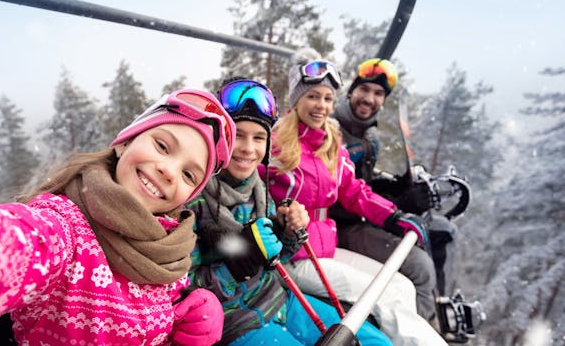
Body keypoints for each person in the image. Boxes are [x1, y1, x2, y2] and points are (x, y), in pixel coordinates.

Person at [0, 88, 234, 346]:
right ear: (126, 141)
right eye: (163, 145)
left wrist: (194, 315)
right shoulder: (64, 229)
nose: (169, 171)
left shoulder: (172, 248)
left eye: (188, 174)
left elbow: (163, 313)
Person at [186, 78, 391, 346]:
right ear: (218, 138)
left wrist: (287, 233)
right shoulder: (193, 200)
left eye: (259, 137)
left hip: (279, 299)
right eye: (236, 136)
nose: (249, 149)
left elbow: (275, 257)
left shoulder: (258, 189)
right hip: (233, 319)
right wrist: (235, 268)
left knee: (377, 343)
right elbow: (183, 287)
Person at [263, 49, 447, 345]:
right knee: (385, 295)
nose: (320, 106)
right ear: (297, 100)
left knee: (401, 286)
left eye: (326, 98)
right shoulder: (276, 143)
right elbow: (253, 189)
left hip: (324, 246)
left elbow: (353, 191)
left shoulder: (329, 142)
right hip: (293, 255)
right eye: (312, 97)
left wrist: (394, 217)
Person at [329, 58, 442, 322]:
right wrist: (397, 203)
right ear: (351, 90)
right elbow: (334, 194)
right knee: (420, 267)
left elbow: (362, 181)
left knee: (435, 236)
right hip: (340, 225)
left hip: (359, 216)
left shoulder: (369, 136)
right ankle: (420, 330)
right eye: (364, 90)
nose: (369, 99)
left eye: (378, 94)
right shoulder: (333, 132)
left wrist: (396, 186)